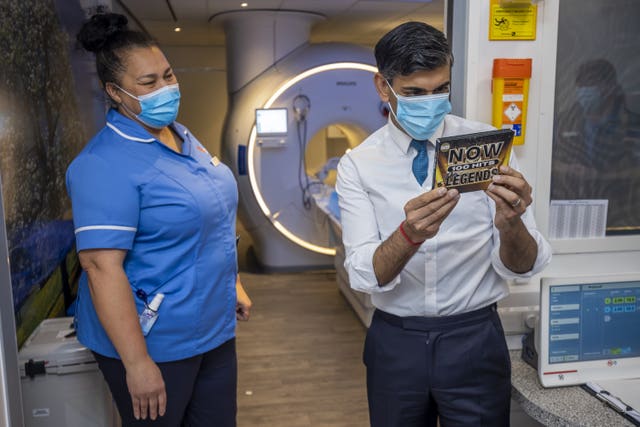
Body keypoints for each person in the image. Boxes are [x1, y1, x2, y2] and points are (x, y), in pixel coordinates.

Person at [335, 22, 552, 426]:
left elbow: (525, 266)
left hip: (475, 338)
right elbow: (364, 274)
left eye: (441, 90)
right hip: (395, 343)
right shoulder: (359, 166)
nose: (431, 103)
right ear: (384, 87)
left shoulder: (488, 147)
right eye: (415, 93)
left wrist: (512, 224)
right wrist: (408, 236)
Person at [67, 12, 251, 426]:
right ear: (115, 92)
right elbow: (100, 267)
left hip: (213, 328)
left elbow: (210, 216)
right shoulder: (104, 164)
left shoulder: (180, 135)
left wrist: (232, 283)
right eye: (148, 83)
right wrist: (137, 364)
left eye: (168, 75)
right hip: (156, 344)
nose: (165, 89)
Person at [552, 59, 640, 230]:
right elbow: (546, 161)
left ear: (609, 88)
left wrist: (602, 176)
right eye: (580, 85)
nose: (583, 91)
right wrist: (569, 169)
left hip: (620, 217)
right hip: (569, 211)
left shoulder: (632, 125)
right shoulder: (564, 122)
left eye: (591, 84)